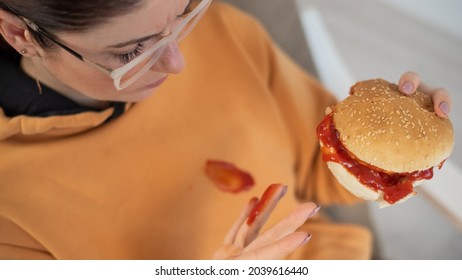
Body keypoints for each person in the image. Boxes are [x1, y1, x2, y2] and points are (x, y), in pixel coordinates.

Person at [0, 0, 452, 260]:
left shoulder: (223, 29)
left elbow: (321, 171)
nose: (177, 61)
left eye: (181, 14)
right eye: (132, 52)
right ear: (19, 34)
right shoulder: (12, 210)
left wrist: (390, 149)